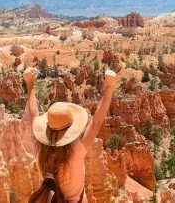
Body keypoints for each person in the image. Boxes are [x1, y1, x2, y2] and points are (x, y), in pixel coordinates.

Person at [23, 67, 117, 203]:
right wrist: (109, 87)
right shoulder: (75, 150)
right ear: (70, 129)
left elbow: (33, 114)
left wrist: (30, 84)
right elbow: (97, 122)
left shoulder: (39, 146)